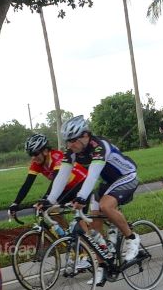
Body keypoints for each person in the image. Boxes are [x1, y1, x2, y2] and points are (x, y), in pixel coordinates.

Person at [46, 117, 142, 274]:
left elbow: (92, 176)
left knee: (105, 205)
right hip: (108, 183)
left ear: (85, 136)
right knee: (94, 223)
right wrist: (49, 200)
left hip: (127, 176)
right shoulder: (72, 151)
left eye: (72, 141)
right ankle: (104, 265)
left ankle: (132, 239)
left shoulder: (99, 147)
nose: (69, 145)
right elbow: (61, 177)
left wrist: (81, 197)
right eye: (67, 142)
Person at [8, 134, 87, 220]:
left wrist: (46, 198)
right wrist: (15, 203)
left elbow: (56, 180)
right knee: (49, 210)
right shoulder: (37, 163)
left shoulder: (57, 157)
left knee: (79, 218)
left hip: (82, 183)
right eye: (30, 154)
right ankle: (65, 232)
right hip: (65, 187)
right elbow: (27, 184)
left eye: (35, 153)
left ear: (45, 151)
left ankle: (86, 232)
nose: (33, 158)